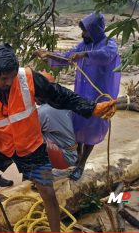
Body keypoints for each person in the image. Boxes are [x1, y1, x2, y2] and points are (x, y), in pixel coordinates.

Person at [0, 43, 116, 232]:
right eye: (4, 79)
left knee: (48, 192)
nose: (9, 83)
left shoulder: (27, 78)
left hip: (30, 145)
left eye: (12, 77)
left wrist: (92, 108)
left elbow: (60, 95)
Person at [34, 12, 121, 181]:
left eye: (86, 31)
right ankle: (78, 157)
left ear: (94, 30)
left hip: (100, 95)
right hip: (82, 92)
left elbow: (106, 55)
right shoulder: (83, 45)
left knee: (92, 128)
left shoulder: (109, 44)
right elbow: (68, 57)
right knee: (79, 125)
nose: (83, 34)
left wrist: (85, 55)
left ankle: (81, 164)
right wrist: (48, 54)